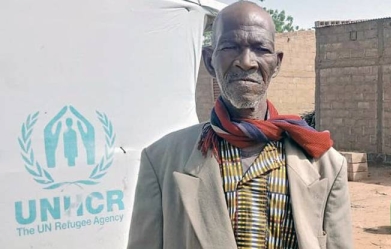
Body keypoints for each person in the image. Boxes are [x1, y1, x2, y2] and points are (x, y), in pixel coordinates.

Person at [127, 1, 353, 249]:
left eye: (260, 49)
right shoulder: (161, 162)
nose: (246, 61)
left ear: (276, 63)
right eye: (230, 47)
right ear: (209, 61)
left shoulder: (326, 166)